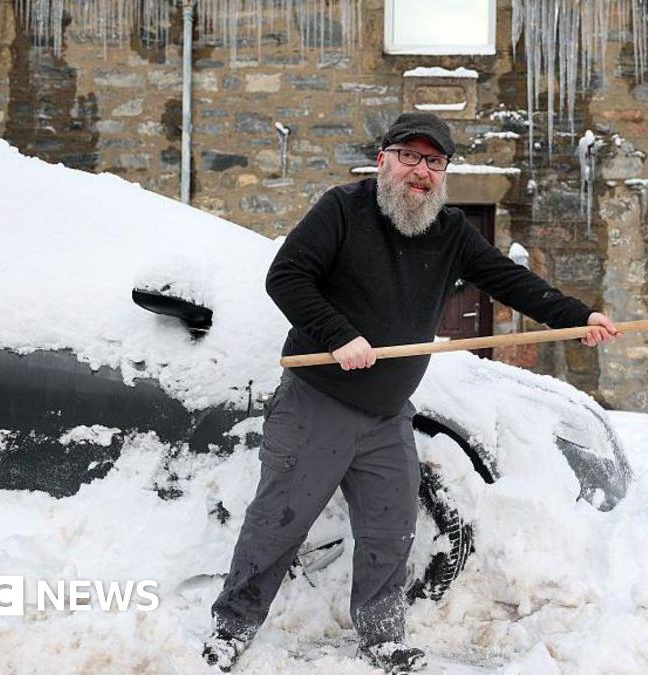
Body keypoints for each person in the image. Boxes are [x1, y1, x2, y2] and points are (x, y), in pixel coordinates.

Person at [203, 112, 618, 673]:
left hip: (386, 415)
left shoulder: (447, 233)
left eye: (434, 162)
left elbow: (509, 280)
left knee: (388, 529)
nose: (420, 172)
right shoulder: (342, 211)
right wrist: (340, 335)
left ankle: (382, 638)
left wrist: (577, 315)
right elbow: (287, 276)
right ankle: (231, 628)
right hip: (316, 403)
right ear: (384, 161)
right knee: (279, 521)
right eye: (410, 157)